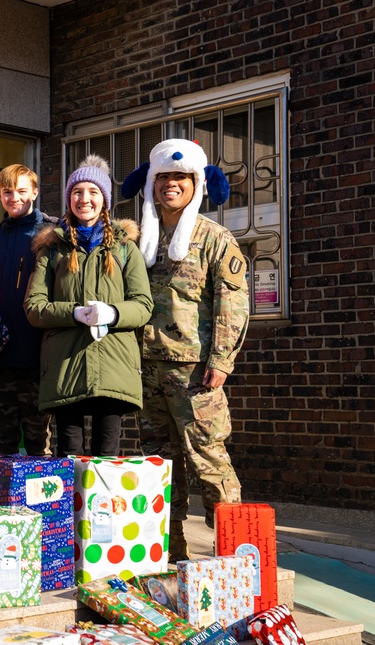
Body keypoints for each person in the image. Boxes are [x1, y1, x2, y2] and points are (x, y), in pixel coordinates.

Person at [121, 138, 249, 562]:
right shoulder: (140, 235)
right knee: (158, 466)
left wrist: (221, 360)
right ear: (151, 183)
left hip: (194, 371)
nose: (170, 185)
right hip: (146, 367)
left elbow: (231, 301)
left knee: (209, 458)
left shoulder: (214, 237)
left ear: (196, 183)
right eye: (163, 178)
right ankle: (168, 554)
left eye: (180, 177)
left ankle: (233, 557)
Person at [24, 155, 152, 458]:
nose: (85, 199)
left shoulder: (124, 248)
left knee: (107, 456)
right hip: (65, 366)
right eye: (78, 192)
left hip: (114, 365)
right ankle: (73, 508)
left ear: (104, 200)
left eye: (93, 192)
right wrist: (74, 313)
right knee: (70, 454)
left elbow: (143, 305)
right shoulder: (51, 248)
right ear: (69, 199)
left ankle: (100, 509)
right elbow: (34, 306)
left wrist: (113, 313)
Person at [0, 164, 57, 457]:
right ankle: (1, 503)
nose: (15, 198)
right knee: (1, 445)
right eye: (8, 192)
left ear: (35, 192)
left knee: (41, 446)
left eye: (22, 191)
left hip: (38, 358)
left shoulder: (52, 235)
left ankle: (43, 504)